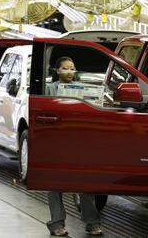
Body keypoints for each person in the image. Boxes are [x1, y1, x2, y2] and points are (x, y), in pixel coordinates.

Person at [45, 56, 103, 236]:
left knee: (85, 183)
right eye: (65, 68)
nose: (69, 72)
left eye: (72, 68)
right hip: (58, 141)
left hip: (80, 140)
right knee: (55, 184)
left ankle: (92, 222)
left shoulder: (84, 89)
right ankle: (56, 224)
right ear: (57, 71)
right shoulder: (49, 89)